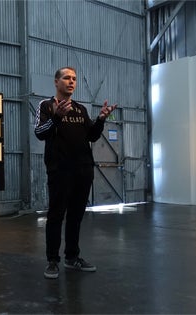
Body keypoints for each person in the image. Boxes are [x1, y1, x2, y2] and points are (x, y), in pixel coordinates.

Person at [34, 66, 117, 279]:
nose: (71, 82)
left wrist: (100, 120)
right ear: (56, 82)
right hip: (59, 171)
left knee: (76, 217)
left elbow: (92, 136)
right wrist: (57, 118)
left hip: (83, 170)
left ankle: (72, 257)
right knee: (55, 216)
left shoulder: (80, 109)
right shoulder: (46, 105)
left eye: (74, 79)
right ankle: (53, 260)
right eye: (66, 78)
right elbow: (40, 133)